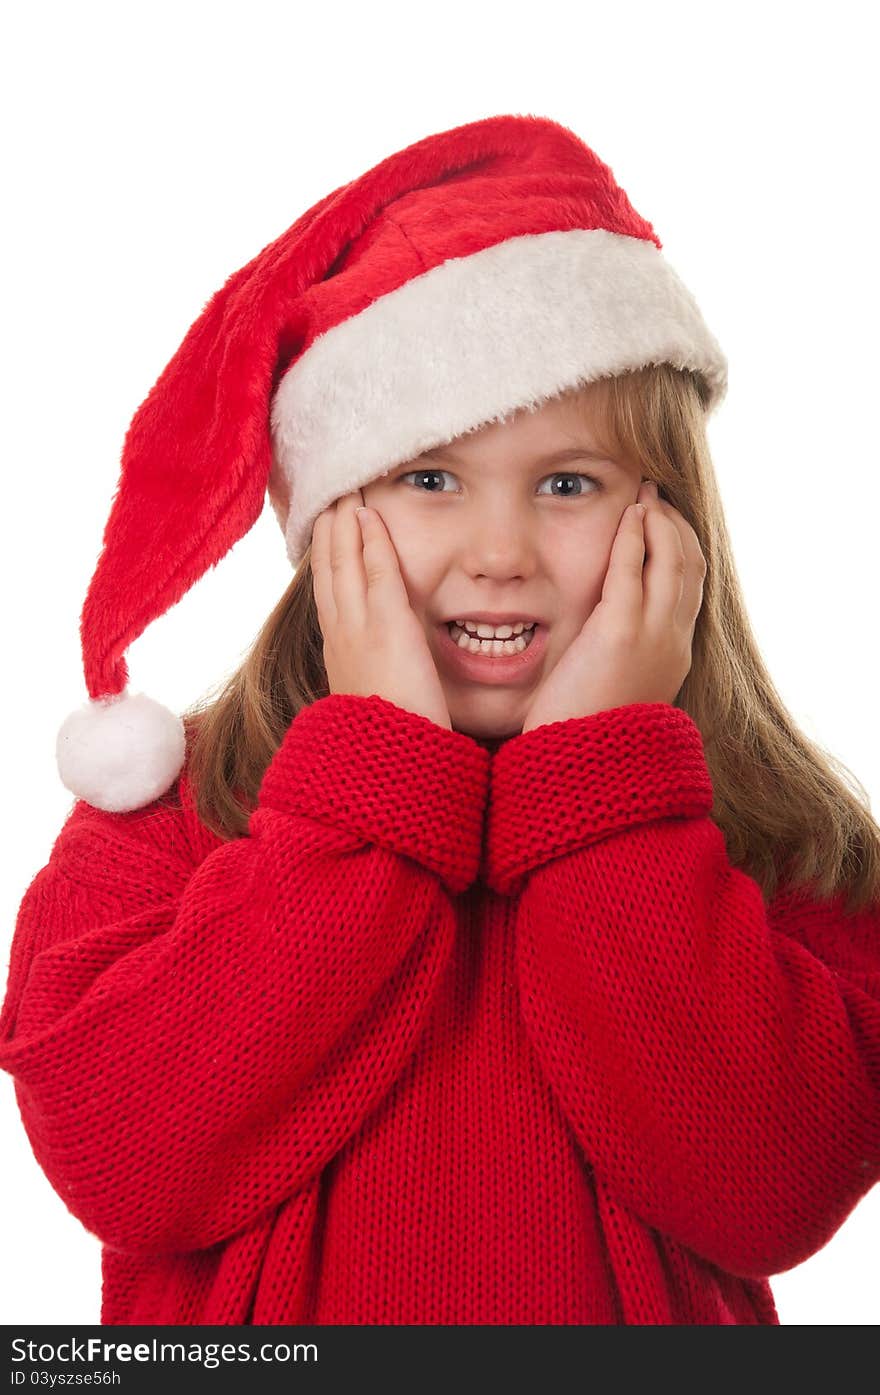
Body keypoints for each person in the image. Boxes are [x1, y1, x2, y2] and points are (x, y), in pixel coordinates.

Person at [1, 112, 879, 1328]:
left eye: (566, 484)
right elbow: (126, 1163)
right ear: (326, 517)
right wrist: (375, 777)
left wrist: (601, 787)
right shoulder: (166, 817)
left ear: (668, 525)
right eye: (429, 480)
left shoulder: (782, 835)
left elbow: (773, 1186)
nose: (500, 553)